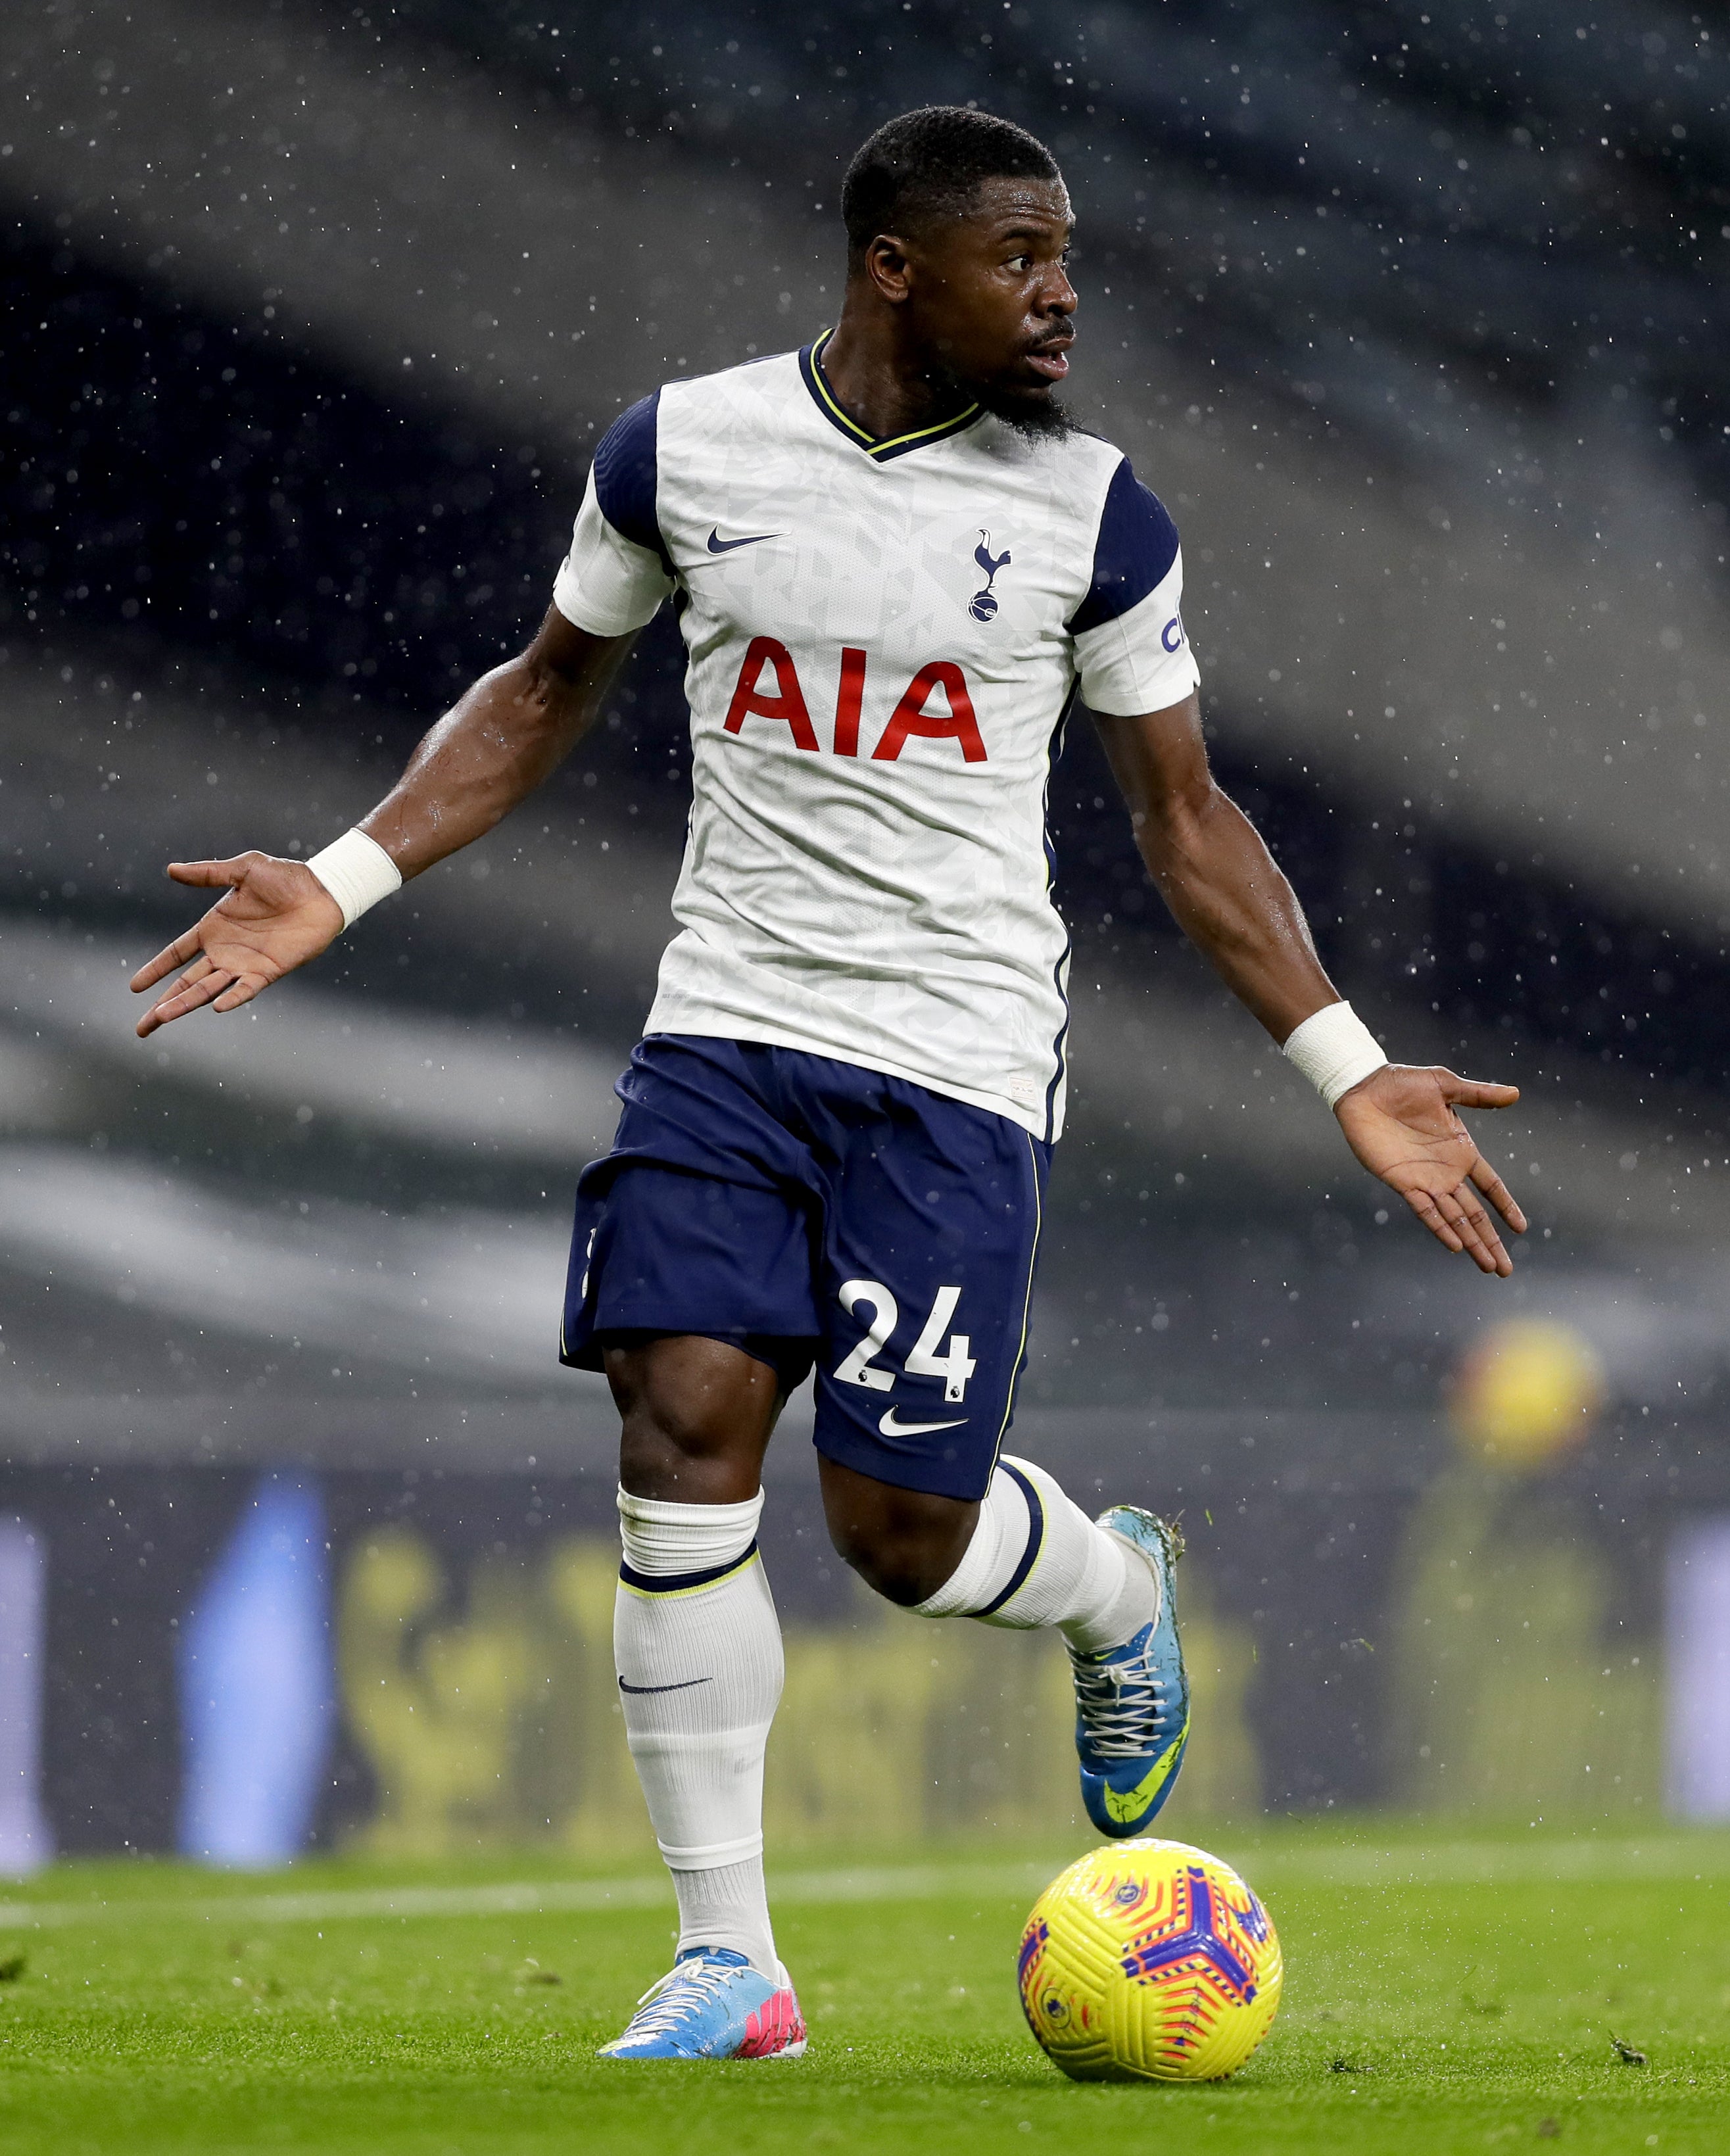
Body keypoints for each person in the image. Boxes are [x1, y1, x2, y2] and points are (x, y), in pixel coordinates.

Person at [132, 106, 1526, 2061]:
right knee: (680, 1421)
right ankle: (732, 1962)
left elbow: (1187, 820)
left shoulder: (1096, 515)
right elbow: (543, 689)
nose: (1061, 298)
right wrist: (346, 877)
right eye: (1020, 259)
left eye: (1065, 259)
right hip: (725, 1032)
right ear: (894, 268)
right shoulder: (681, 450)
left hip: (953, 1065)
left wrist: (1348, 1067)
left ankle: (1113, 1588)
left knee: (899, 1537)